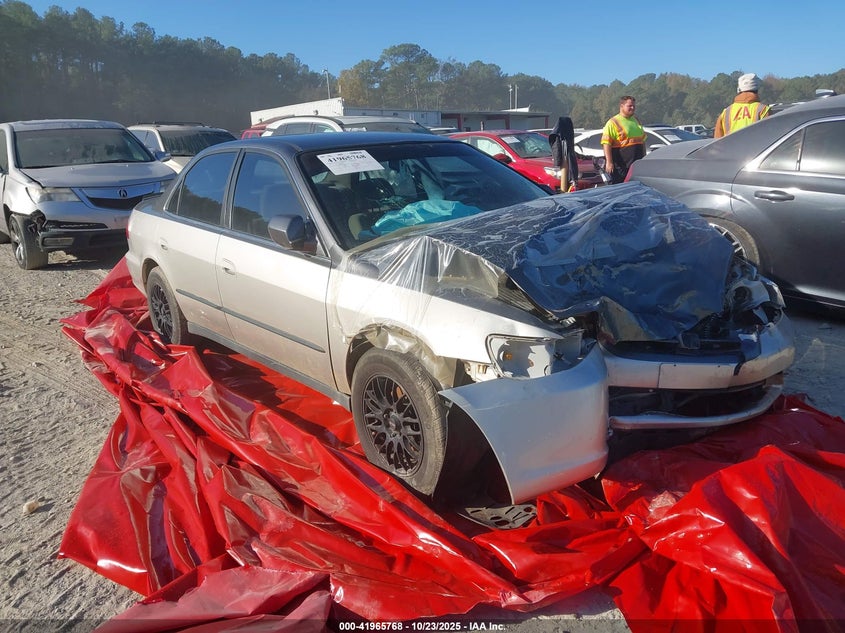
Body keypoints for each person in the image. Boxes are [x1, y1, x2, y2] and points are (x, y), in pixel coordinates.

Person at [601, 96, 646, 184]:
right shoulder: (613, 122)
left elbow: (642, 141)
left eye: (634, 106)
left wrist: (644, 158)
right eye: (629, 106)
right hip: (621, 166)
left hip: (636, 165)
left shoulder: (636, 120)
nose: (632, 108)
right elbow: (606, 143)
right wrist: (609, 162)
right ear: (621, 106)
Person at [714, 73, 770, 138]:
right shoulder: (763, 110)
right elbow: (769, 137)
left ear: (739, 90)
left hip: (732, 148)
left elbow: (717, 143)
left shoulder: (726, 112)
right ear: (757, 89)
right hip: (757, 148)